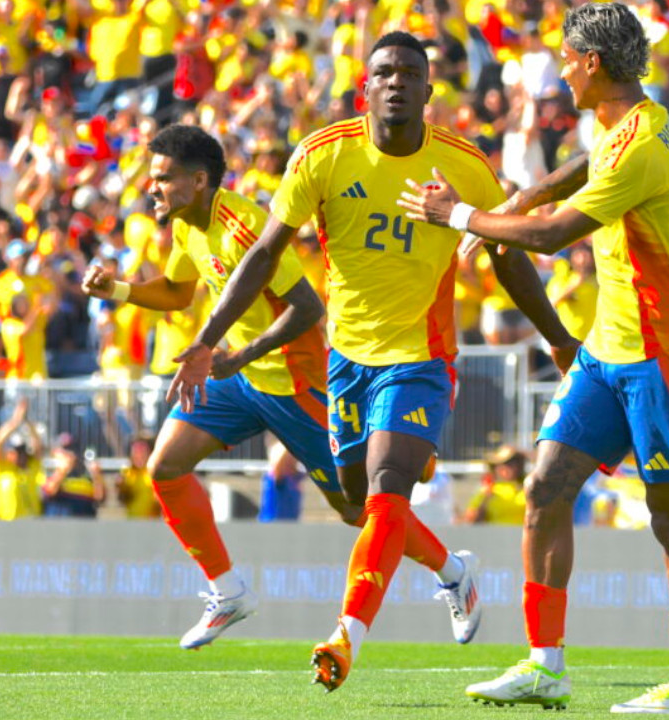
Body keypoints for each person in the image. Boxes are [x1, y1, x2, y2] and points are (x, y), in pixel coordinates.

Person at [169, 33, 578, 690]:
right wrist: (208, 337)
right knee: (360, 504)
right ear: (366, 88)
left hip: (421, 357)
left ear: (428, 89)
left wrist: (556, 337)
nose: (395, 82)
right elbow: (267, 254)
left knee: (390, 486)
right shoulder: (322, 157)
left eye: (409, 73)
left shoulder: (464, 165)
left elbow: (506, 258)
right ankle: (455, 572)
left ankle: (345, 636)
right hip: (347, 360)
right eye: (383, 72)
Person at [82, 121, 514, 654]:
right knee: (165, 467)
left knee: (359, 508)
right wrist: (120, 290)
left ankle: (453, 572)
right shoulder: (186, 226)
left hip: (294, 383)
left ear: (198, 181)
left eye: (163, 178)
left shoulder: (243, 226)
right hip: (239, 380)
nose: (153, 188)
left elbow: (307, 310)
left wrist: (235, 355)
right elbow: (176, 291)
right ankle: (227, 590)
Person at [399, 5, 669, 712]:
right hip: (608, 349)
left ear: (593, 63)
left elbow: (552, 237)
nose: (561, 71)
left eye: (567, 59)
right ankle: (547, 666)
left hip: (666, 359)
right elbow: (578, 171)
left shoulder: (645, 143)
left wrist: (461, 216)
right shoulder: (621, 122)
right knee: (544, 488)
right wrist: (531, 189)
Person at [0, 397, 44, 521]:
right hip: (7, 522)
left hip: (30, 522)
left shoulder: (32, 467)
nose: (20, 456)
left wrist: (28, 423)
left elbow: (38, 446)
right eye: (16, 452)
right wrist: (15, 421)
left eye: (22, 452)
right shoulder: (3, 469)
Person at [463, 445, 528, 525]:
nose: (506, 468)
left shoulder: (528, 487)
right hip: (495, 536)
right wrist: (484, 500)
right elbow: (470, 521)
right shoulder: (488, 489)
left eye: (511, 463)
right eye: (502, 463)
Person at [115, 435, 161, 519]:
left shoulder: (154, 472)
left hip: (153, 524)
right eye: (136, 452)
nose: (139, 455)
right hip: (133, 523)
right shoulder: (127, 472)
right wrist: (120, 486)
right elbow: (122, 499)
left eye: (142, 452)